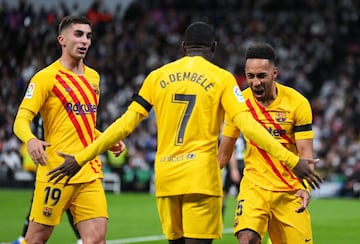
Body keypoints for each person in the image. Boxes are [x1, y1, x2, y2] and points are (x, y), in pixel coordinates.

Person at [47, 22, 322, 244]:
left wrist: (81, 158)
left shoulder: (157, 76)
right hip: (201, 178)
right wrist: (292, 160)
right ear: (213, 48)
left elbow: (123, 124)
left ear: (183, 48)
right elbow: (250, 127)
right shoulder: (223, 78)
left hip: (166, 179)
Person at [13, 15, 124, 244]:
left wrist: (106, 139)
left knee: (96, 240)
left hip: (87, 170)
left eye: (89, 36)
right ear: (62, 39)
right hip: (56, 171)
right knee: (35, 240)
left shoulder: (94, 77)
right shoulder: (45, 78)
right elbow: (21, 119)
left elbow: (84, 124)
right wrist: (31, 139)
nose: (85, 41)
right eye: (78, 34)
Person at [218, 42, 317, 244]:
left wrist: (304, 187)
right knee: (247, 239)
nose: (255, 83)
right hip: (254, 187)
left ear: (274, 73)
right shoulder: (238, 104)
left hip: (289, 191)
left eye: (261, 76)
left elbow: (305, 151)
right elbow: (223, 154)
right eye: (250, 76)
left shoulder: (297, 103)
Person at [222, 136, 245, 219]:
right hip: (242, 165)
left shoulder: (230, 134)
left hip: (234, 166)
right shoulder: (242, 136)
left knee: (223, 195)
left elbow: (232, 151)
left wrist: (234, 169)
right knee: (242, 196)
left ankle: (219, 221)